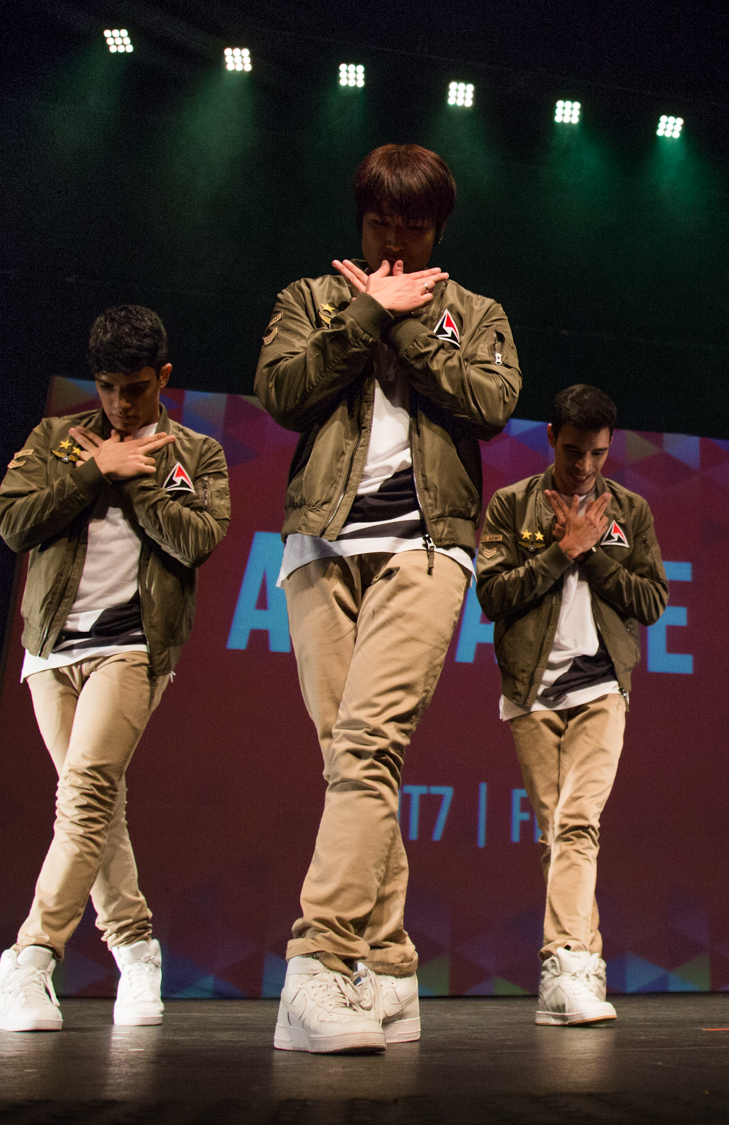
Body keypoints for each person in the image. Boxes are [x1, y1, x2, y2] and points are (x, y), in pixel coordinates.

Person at [256, 143, 521, 1053]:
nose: (395, 242)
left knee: (369, 743)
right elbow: (283, 392)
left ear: (438, 226)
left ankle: (318, 967)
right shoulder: (312, 298)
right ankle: (393, 968)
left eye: (413, 227)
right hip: (318, 545)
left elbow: (490, 401)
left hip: (427, 544)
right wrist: (366, 311)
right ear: (360, 219)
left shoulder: (475, 313)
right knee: (348, 760)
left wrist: (406, 325)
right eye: (380, 225)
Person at [0, 305, 231, 1032]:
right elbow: (13, 521)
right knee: (96, 806)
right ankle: (135, 947)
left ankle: (31, 955)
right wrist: (95, 468)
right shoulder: (56, 441)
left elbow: (197, 540)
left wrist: (136, 479)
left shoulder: (199, 454)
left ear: (162, 377)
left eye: (135, 388)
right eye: (107, 388)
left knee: (87, 792)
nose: (121, 404)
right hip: (52, 648)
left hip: (133, 645)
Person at [476, 385, 668, 1026]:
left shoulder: (631, 511)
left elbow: (653, 602)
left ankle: (562, 963)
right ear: (551, 436)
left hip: (601, 687)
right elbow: (493, 596)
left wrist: (594, 554)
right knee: (557, 832)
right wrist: (561, 551)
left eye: (598, 454)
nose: (585, 466)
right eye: (573, 451)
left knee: (577, 823)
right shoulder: (511, 505)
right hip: (531, 692)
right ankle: (585, 966)